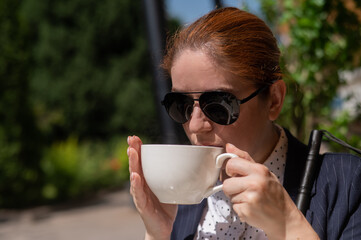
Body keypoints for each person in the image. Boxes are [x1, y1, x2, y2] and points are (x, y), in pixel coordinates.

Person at [127, 7, 361, 240]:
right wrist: (157, 233)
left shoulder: (348, 183)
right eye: (181, 105)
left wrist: (288, 224)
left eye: (219, 105)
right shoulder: (182, 204)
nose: (196, 125)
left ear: (274, 100)